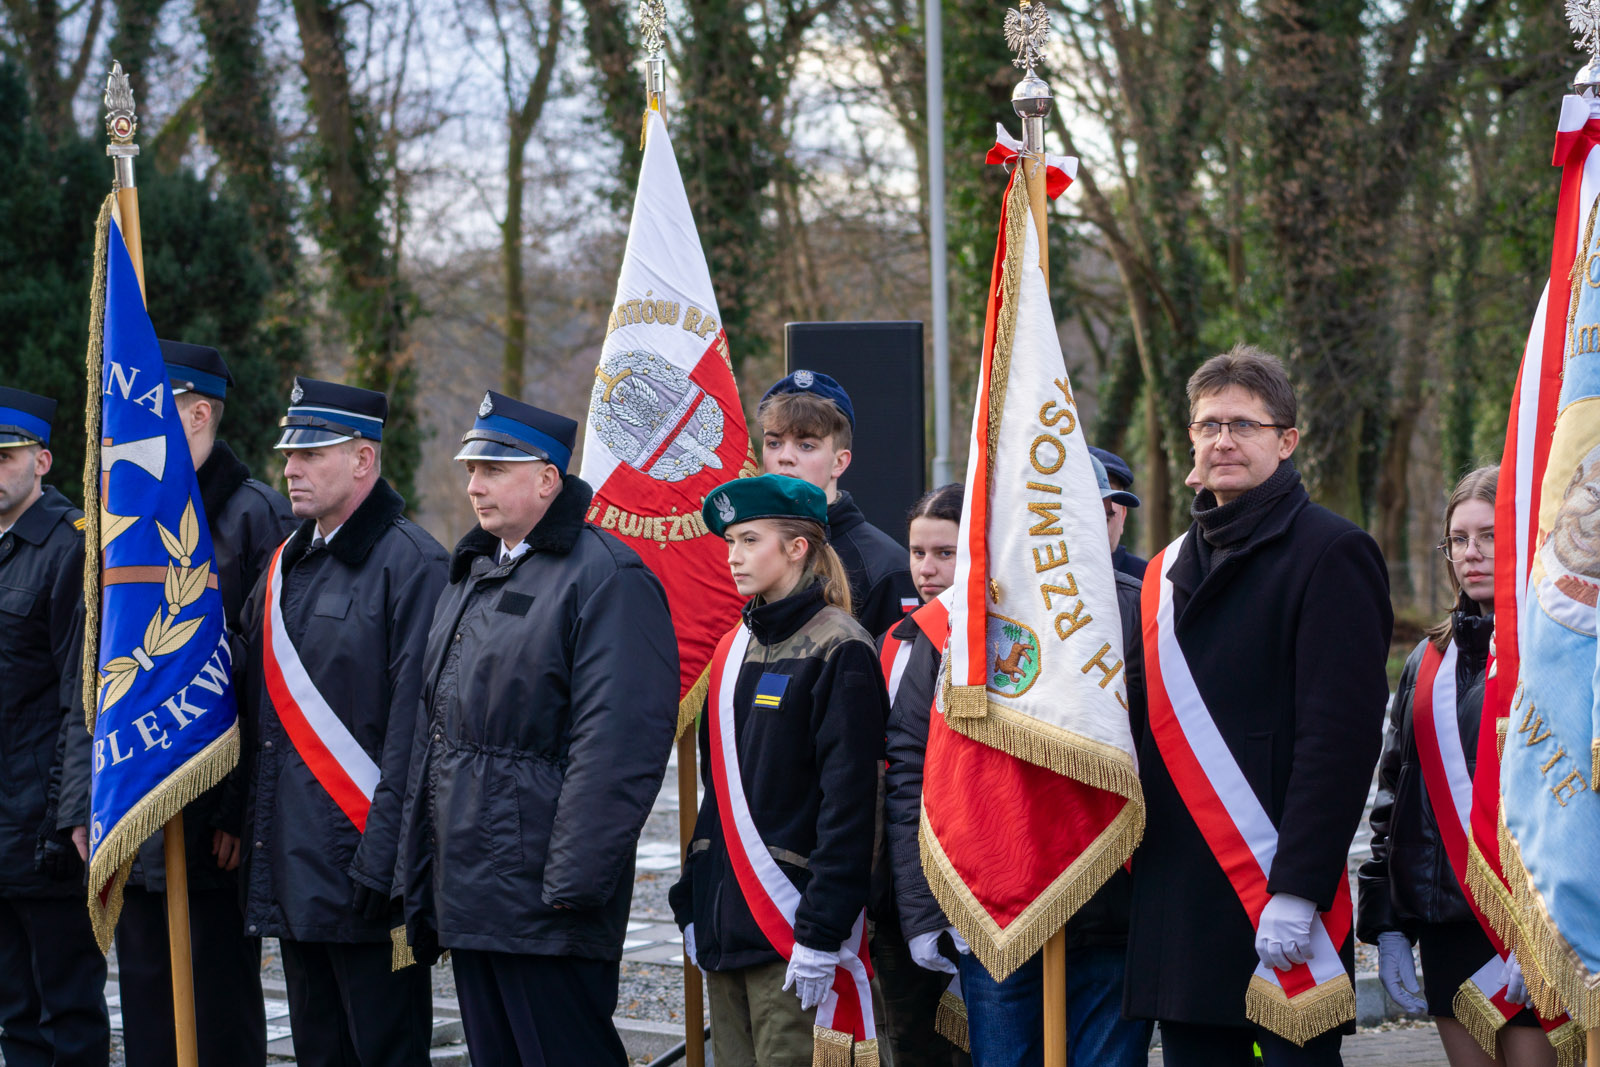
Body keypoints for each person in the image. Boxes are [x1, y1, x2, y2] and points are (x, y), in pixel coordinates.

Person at [1125, 344, 1393, 1065]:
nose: (1223, 440)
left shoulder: (1333, 552)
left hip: (1272, 891)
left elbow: (1339, 740)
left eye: (1243, 424)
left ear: (1286, 440)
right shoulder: (1165, 568)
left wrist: (1299, 887)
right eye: (1208, 424)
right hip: (1183, 898)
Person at [396, 391, 678, 1064]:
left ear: (548, 478)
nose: (474, 485)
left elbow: (616, 745)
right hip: (473, 893)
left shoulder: (607, 576)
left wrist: (571, 885)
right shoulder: (475, 571)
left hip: (544, 904)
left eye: (494, 469)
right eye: (471, 469)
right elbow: (433, 734)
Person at [885, 460, 1152, 1067]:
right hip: (991, 908)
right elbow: (911, 771)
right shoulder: (950, 623)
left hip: (1112, 906)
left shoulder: (1142, 614)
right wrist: (925, 910)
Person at [239, 377, 447, 1067]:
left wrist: (381, 864)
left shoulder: (412, 564)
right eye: (288, 452)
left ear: (362, 459)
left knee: (384, 1051)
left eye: (311, 452)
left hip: (368, 875)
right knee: (319, 1053)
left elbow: (414, 733)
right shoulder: (288, 563)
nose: (290, 467)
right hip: (297, 867)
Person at [112, 340, 294, 1067]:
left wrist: (235, 809)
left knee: (219, 1008)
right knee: (148, 1003)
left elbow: (268, 681)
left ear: (197, 411)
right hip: (139, 801)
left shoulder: (255, 515)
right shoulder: (126, 512)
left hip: (212, 810)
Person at [670, 473, 889, 1066]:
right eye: (730, 542)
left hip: (789, 926)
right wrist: (691, 898)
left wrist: (821, 932)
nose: (732, 557)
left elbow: (851, 804)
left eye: (749, 540)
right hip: (725, 921)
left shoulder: (839, 647)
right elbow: (718, 791)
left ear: (797, 547)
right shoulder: (733, 646)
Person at [1358, 466, 1556, 1067]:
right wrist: (1387, 922)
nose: (1471, 554)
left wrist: (1552, 933)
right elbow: (1396, 795)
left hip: (1538, 933)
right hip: (1448, 923)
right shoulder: (1427, 660)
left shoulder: (1557, 649)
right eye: (1458, 539)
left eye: (1489, 536)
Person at [0, 386, 110, 1067]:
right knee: (13, 1010)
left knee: (66, 1007)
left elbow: (84, 696)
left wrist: (74, 812)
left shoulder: (71, 547)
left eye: (6, 455)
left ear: (42, 460)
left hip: (43, 825)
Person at [872, 483, 971, 1067]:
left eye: (945, 553)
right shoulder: (896, 640)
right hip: (896, 884)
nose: (926, 570)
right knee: (913, 1045)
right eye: (917, 552)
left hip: (967, 881)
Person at [760, 370, 918, 637]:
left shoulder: (884, 567)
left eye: (806, 445)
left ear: (840, 462)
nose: (785, 457)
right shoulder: (744, 551)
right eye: (774, 443)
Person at [1089, 446, 1148, 579]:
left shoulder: (1148, 578)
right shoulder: (1041, 575)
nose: (1102, 503)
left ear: (1123, 515)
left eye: (1106, 517)